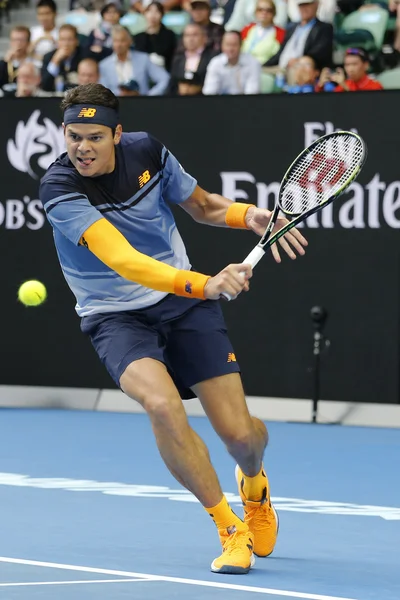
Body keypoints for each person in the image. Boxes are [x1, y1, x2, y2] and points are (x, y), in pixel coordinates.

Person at [39, 83, 308, 574]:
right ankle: (229, 526)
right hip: (114, 316)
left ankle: (254, 487)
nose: (82, 147)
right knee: (161, 405)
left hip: (182, 307)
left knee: (241, 438)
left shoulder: (148, 152)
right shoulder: (59, 189)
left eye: (95, 136)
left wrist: (249, 214)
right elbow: (126, 262)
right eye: (73, 135)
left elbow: (203, 206)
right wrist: (206, 284)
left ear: (117, 135)